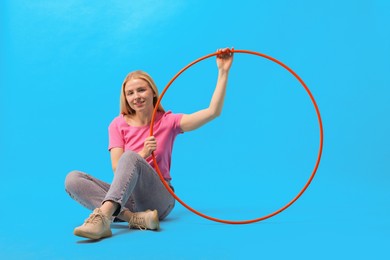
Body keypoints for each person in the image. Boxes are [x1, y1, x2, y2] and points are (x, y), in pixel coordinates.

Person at [65, 48, 234, 240]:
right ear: (126, 98)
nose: (136, 96)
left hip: (159, 199)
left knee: (130, 156)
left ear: (153, 92)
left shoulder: (169, 122)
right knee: (73, 179)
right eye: (130, 93)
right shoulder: (117, 124)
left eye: (141, 90)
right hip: (126, 199)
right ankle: (134, 218)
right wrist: (144, 152)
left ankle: (103, 218)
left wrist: (223, 71)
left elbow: (213, 112)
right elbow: (116, 167)